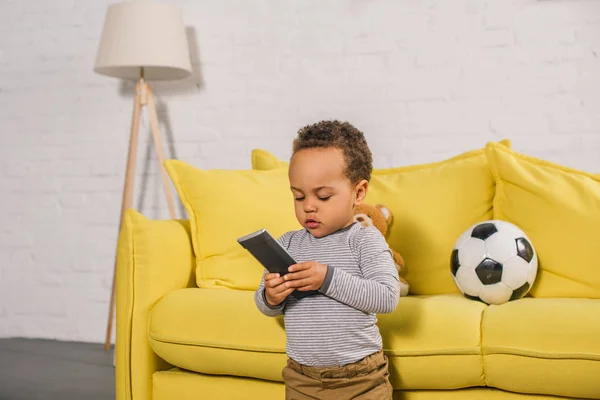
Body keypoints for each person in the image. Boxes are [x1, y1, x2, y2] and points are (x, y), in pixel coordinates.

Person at [254, 120, 400, 399]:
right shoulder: (287, 243)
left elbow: (387, 297)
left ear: (358, 193)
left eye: (323, 196)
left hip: (361, 379)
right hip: (302, 379)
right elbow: (265, 305)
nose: (308, 205)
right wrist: (271, 297)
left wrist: (327, 278)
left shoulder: (364, 239)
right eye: (298, 196)